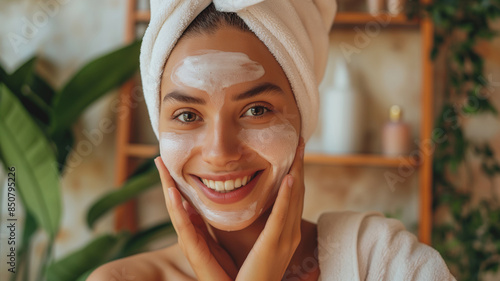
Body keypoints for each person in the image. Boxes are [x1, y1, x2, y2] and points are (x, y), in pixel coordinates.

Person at [88, 1, 456, 280]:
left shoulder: (381, 262)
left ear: (303, 118)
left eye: (257, 110)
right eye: (187, 116)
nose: (220, 153)